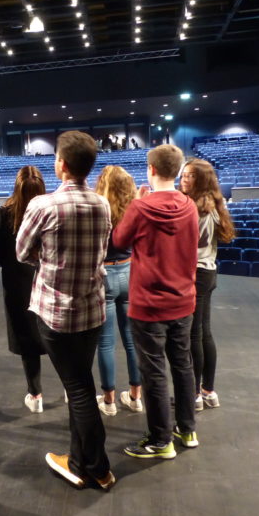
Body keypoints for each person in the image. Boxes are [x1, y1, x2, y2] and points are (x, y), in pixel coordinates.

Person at [16, 130, 115, 491]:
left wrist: (50, 259)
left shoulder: (43, 206)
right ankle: (78, 462)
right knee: (82, 384)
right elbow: (102, 251)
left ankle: (99, 467)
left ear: (61, 164)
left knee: (79, 389)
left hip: (55, 316)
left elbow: (22, 252)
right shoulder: (102, 204)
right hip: (91, 311)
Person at [113, 144, 199, 460]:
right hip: (183, 300)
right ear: (177, 172)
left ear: (150, 169)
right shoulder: (189, 205)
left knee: (154, 372)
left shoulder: (141, 208)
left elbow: (119, 241)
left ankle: (161, 441)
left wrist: (137, 202)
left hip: (149, 303)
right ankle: (186, 430)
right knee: (183, 365)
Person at [179, 158, 235, 411]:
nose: (184, 179)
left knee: (195, 336)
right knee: (204, 333)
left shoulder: (197, 208)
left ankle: (195, 395)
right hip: (208, 272)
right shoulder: (211, 204)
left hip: (197, 274)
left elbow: (189, 250)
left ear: (201, 180)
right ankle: (208, 390)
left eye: (190, 175)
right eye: (184, 174)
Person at [0, 166, 47, 413]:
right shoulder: (50, 209)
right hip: (47, 280)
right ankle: (70, 390)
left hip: (17, 283)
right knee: (56, 337)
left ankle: (35, 395)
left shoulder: (5, 213)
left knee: (27, 340)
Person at [93, 166, 144, 416]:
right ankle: (136, 397)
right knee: (132, 339)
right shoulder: (136, 208)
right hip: (130, 271)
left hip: (105, 275)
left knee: (105, 342)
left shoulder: (97, 208)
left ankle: (109, 400)